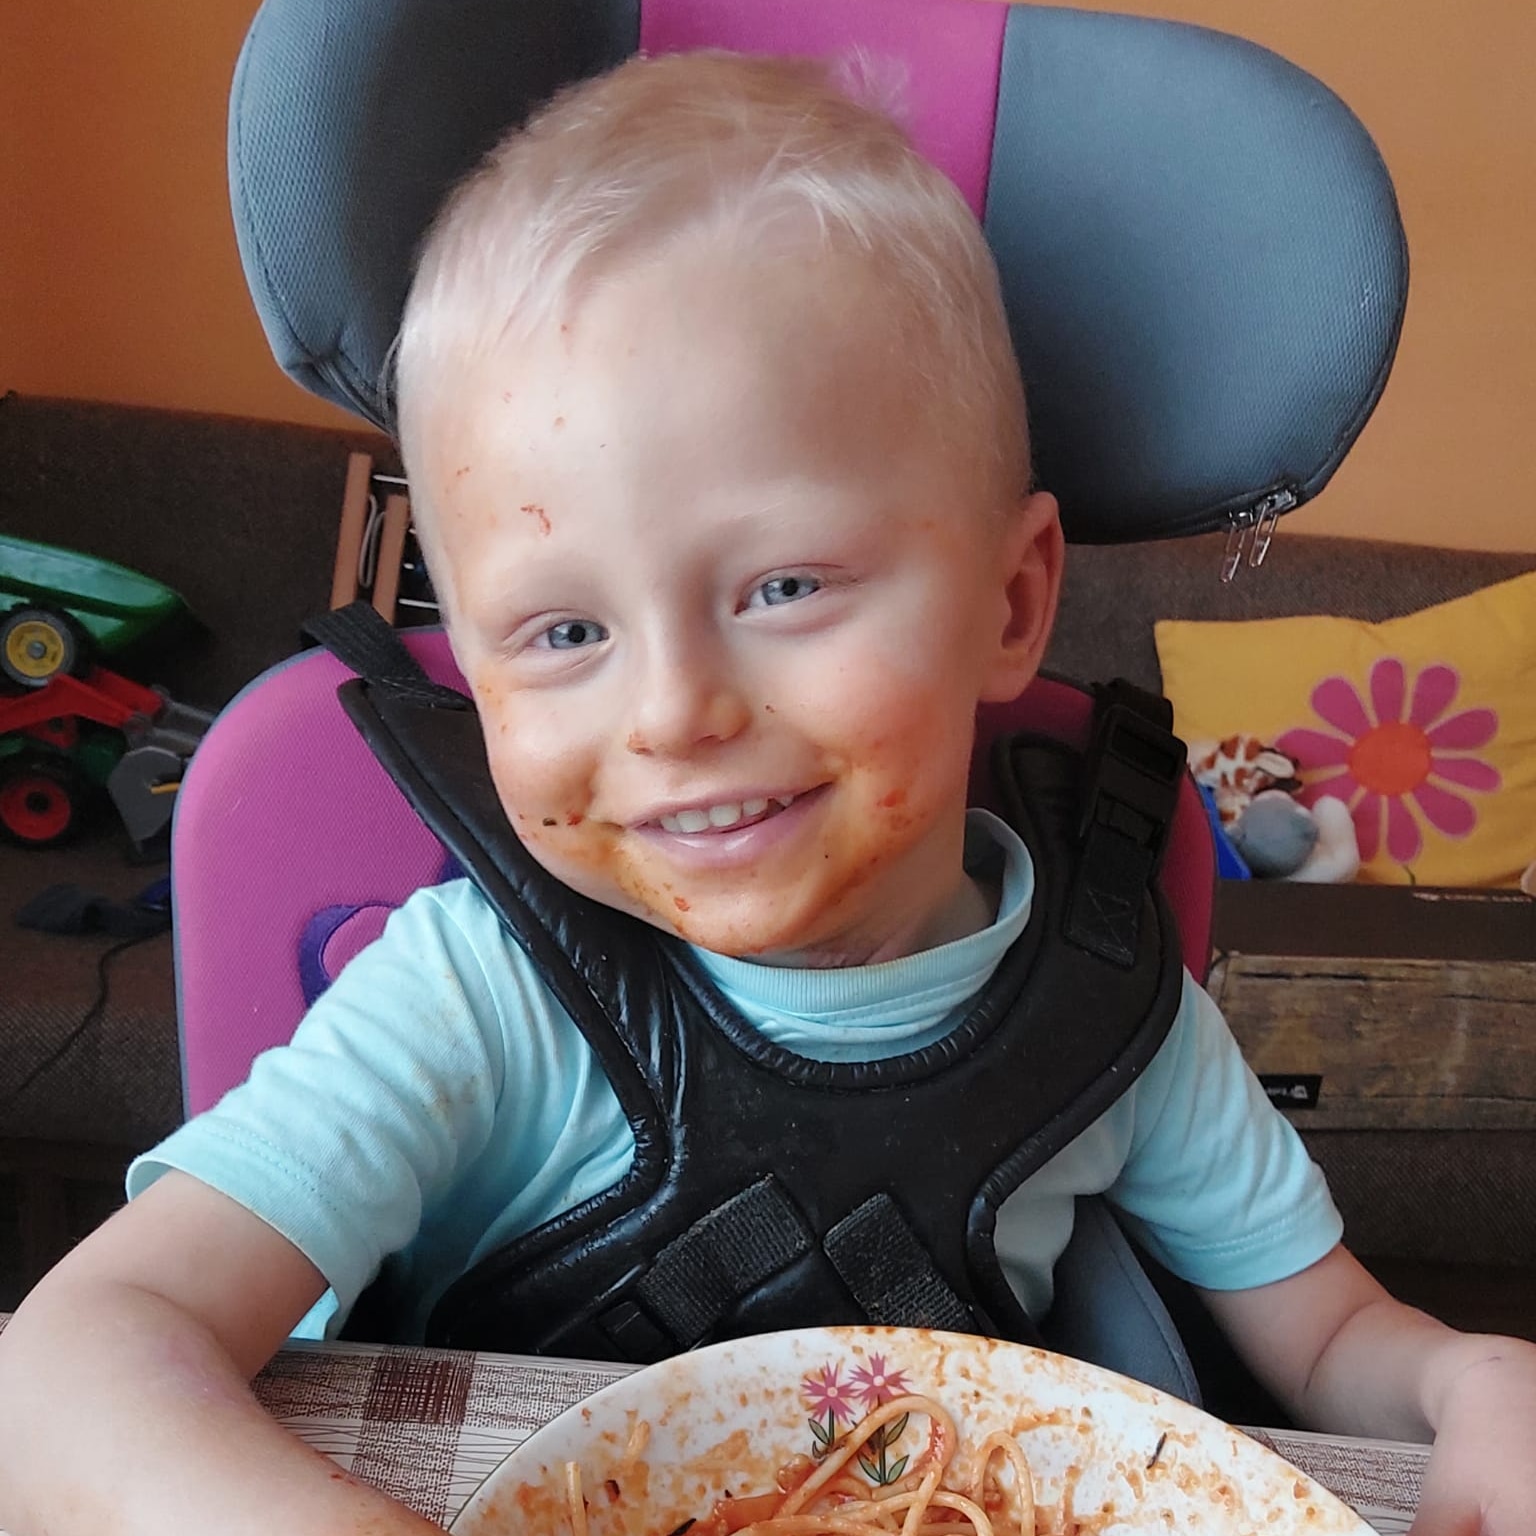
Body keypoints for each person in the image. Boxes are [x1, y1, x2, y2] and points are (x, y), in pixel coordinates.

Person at [0, 50, 1531, 1536]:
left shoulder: (1127, 1017)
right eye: (565, 632)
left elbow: (1337, 1345)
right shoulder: (476, 1000)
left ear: (1011, 604)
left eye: (785, 585)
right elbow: (66, 1368)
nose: (676, 713)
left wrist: (1469, 1380)